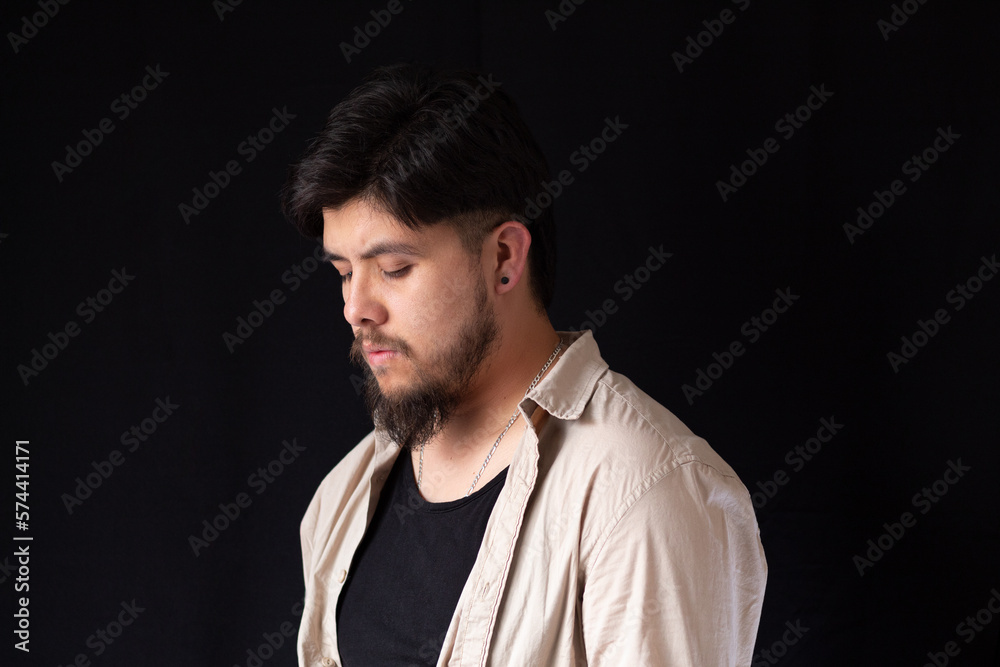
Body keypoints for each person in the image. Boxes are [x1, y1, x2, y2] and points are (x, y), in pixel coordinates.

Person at [281, 62, 767, 667]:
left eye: (395, 268)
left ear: (504, 257)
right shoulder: (345, 496)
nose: (356, 309)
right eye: (344, 273)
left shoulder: (645, 491)